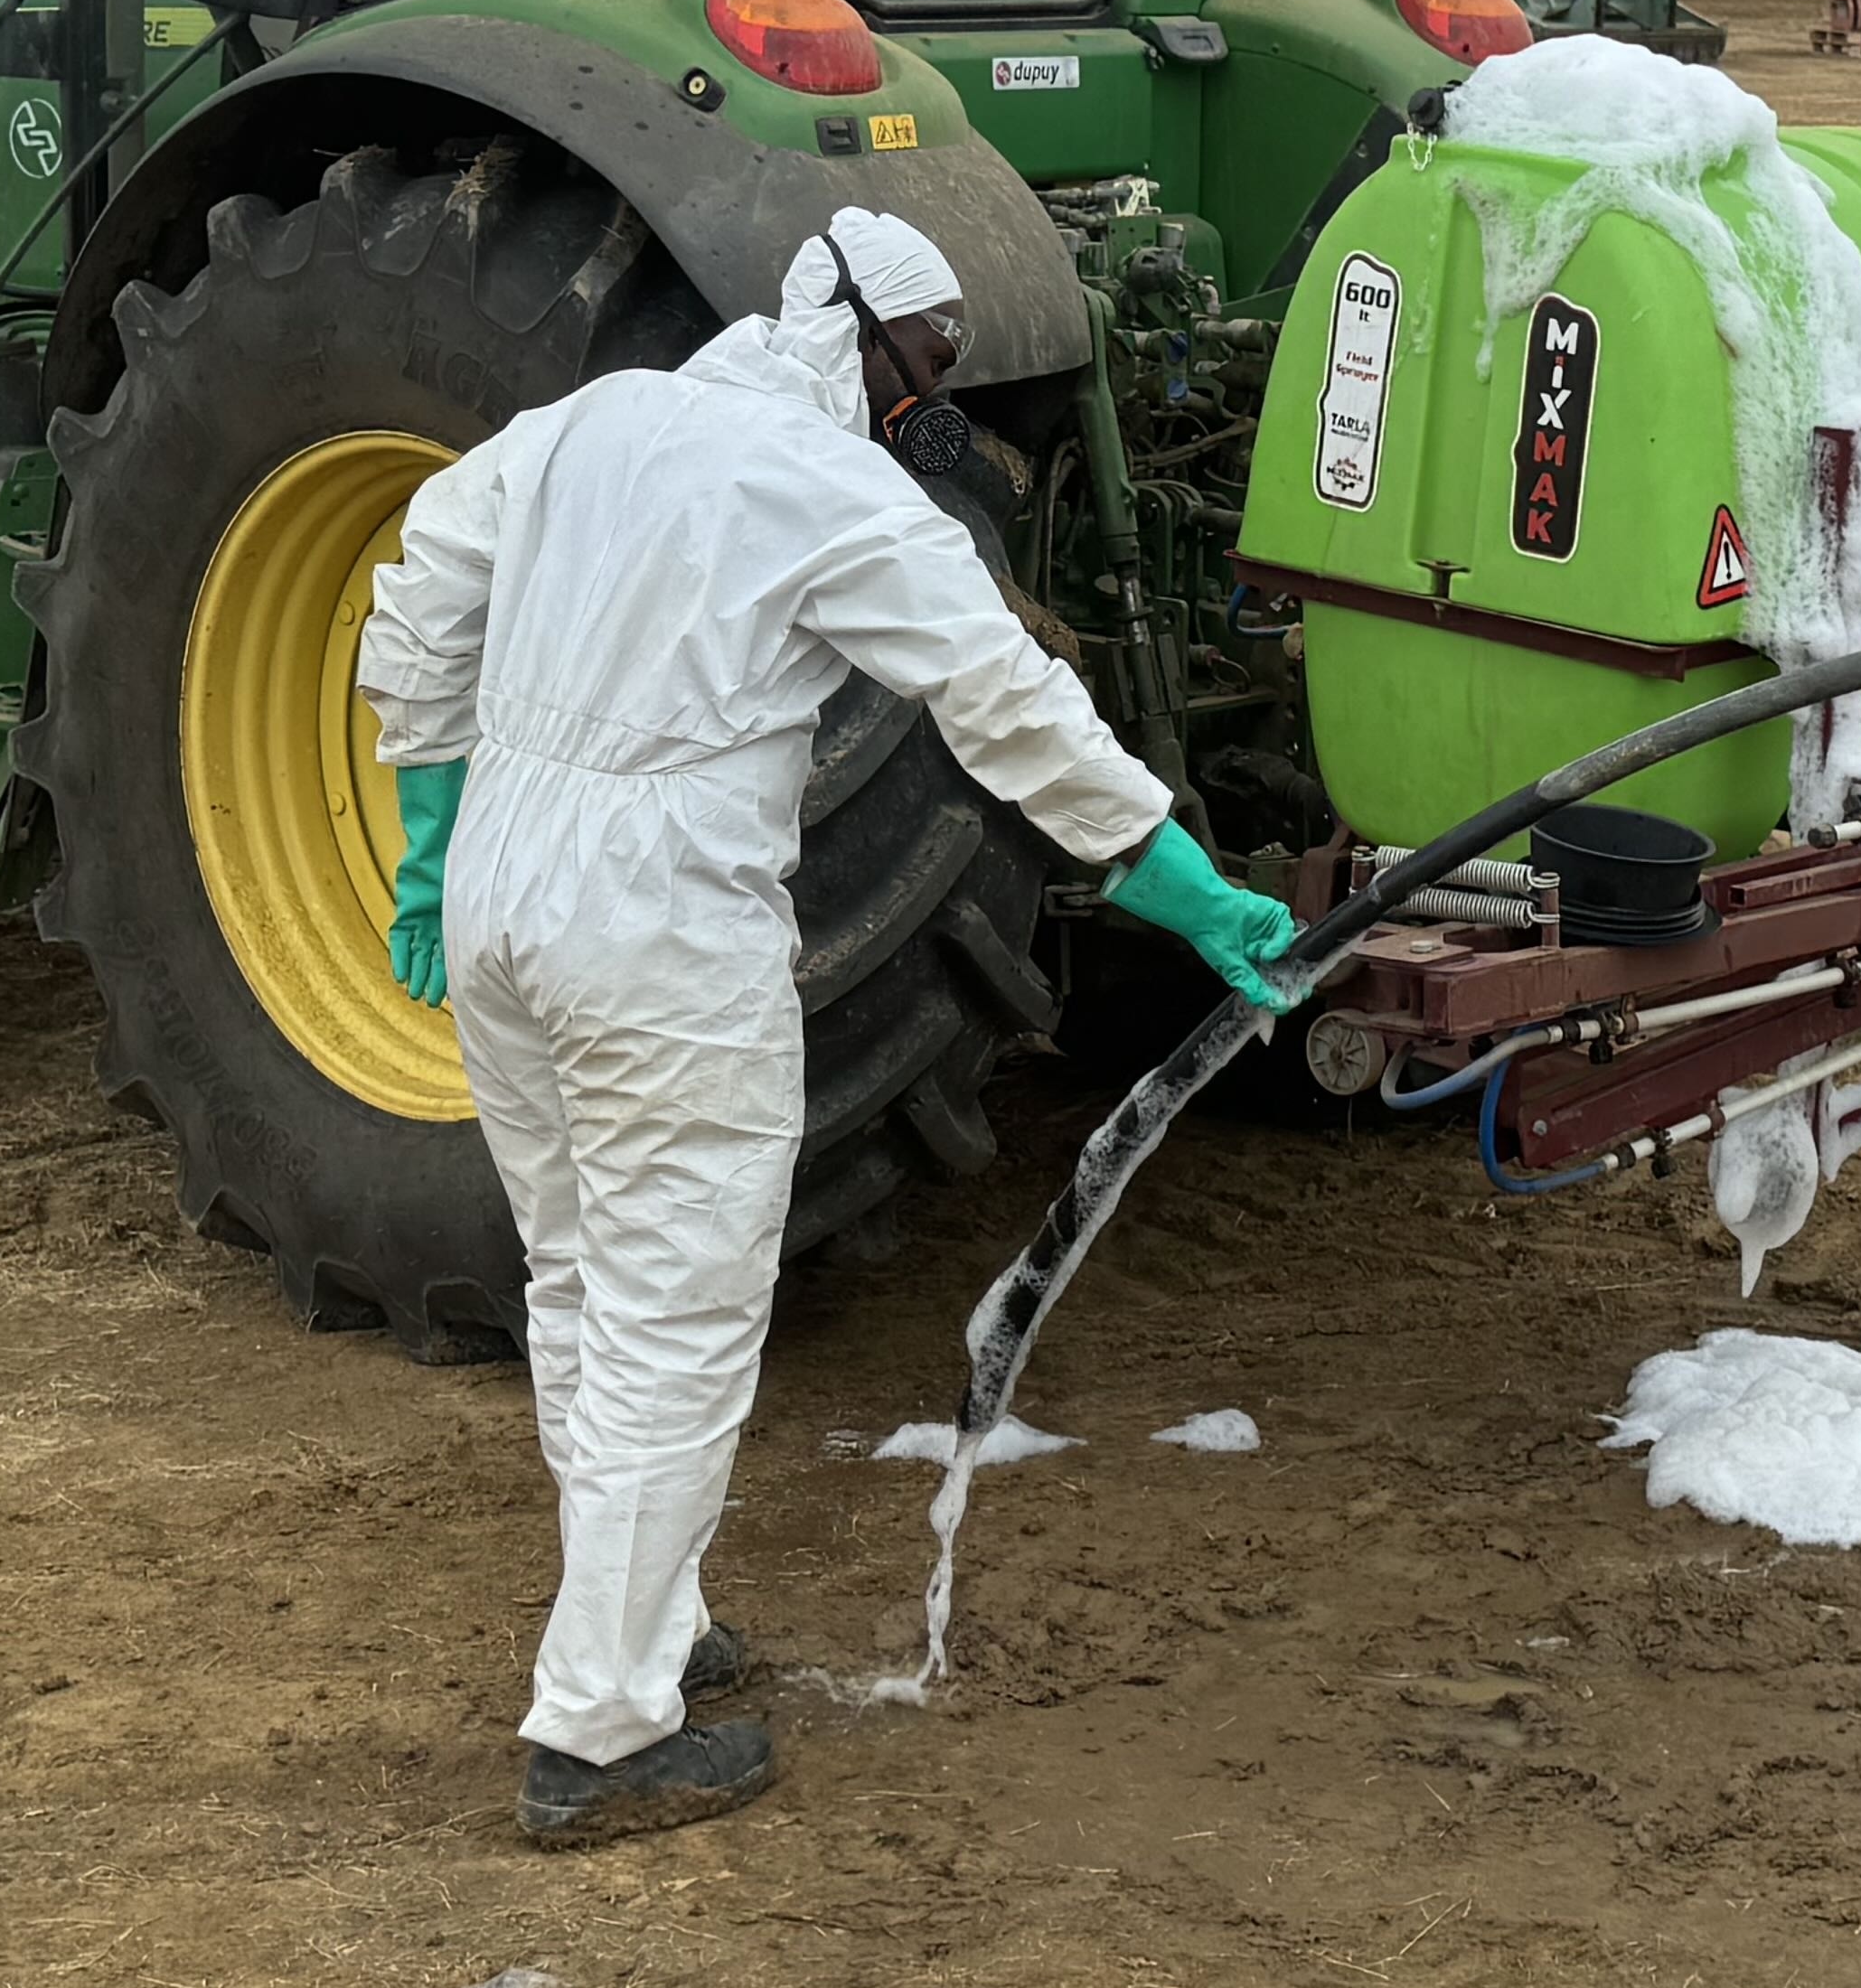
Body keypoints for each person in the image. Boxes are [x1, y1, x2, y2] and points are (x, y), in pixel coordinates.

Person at [356, 205, 1298, 1843]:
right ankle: (598, 1733)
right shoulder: (832, 487)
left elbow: (426, 579)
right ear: (859, 330)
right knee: (679, 1322)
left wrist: (434, 843)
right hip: (661, 924)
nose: (938, 394)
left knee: (581, 1279)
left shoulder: (596, 421)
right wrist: (1179, 878)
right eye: (932, 358)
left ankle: (646, 1630)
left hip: (511, 901)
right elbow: (1005, 698)